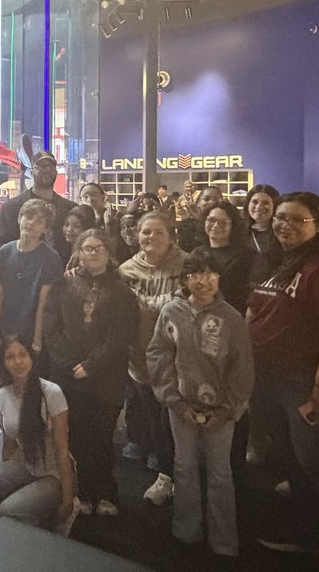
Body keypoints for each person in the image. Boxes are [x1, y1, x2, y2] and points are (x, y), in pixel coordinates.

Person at [247, 191, 319, 555]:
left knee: (318, 461)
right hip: (275, 378)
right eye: (282, 217)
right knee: (293, 456)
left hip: (313, 381)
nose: (285, 224)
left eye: (298, 219)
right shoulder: (281, 260)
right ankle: (306, 520)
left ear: (318, 225)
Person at [147, 247, 254, 560]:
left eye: (209, 273)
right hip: (181, 406)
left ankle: (224, 542)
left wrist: (230, 409)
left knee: (220, 474)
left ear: (219, 277)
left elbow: (242, 367)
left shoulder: (232, 319)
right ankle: (185, 531)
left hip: (221, 412)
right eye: (195, 274)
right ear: (185, 278)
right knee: (184, 467)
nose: (202, 280)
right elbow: (158, 354)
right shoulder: (171, 312)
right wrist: (173, 399)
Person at [43, 230, 139, 517]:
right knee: (76, 438)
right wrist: (72, 363)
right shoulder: (63, 284)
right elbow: (51, 327)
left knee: (102, 438)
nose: (93, 253)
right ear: (78, 252)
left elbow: (122, 334)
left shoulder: (122, 290)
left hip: (105, 377)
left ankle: (105, 493)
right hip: (68, 375)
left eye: (99, 248)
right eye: (87, 248)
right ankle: (80, 492)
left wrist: (92, 365)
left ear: (109, 252)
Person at [118, 210, 186, 504]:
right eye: (146, 232)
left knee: (177, 422)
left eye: (159, 232)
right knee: (157, 423)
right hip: (142, 359)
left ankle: (186, 478)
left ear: (171, 235)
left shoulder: (187, 264)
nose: (151, 237)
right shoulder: (125, 271)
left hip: (181, 362)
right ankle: (167, 477)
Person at [0, 336, 74, 531]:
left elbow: (62, 449)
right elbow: (8, 443)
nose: (18, 361)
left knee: (6, 510)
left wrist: (68, 498)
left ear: (31, 357)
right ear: (4, 363)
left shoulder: (51, 392)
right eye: (10, 357)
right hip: (25, 463)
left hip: (52, 472)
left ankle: (40, 526)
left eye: (23, 354)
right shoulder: (3, 394)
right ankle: (30, 512)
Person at [0, 199, 63, 354]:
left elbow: (44, 302)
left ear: (46, 228)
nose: (32, 223)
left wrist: (37, 339)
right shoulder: (5, 251)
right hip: (5, 330)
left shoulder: (50, 257)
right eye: (29, 216)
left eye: (39, 221)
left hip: (31, 334)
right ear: (19, 218)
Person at [0, 151, 78, 262]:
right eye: (40, 167)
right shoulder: (12, 206)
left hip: (59, 273)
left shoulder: (69, 208)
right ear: (32, 171)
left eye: (50, 167)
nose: (46, 170)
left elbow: (82, 240)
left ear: (55, 172)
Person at [198, 199, 253, 315]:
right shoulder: (197, 254)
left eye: (224, 222)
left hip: (235, 318)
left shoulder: (247, 255)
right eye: (211, 220)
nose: (216, 225)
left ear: (233, 225)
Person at [243, 184, 283, 286]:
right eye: (255, 202)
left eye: (265, 203)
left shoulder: (283, 234)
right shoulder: (238, 233)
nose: (259, 207)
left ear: (275, 206)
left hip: (274, 292)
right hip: (243, 294)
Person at [175, 186, 223, 253]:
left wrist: (200, 219)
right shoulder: (185, 226)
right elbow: (186, 251)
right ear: (198, 203)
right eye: (206, 199)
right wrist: (200, 220)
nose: (212, 202)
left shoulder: (229, 223)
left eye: (216, 199)